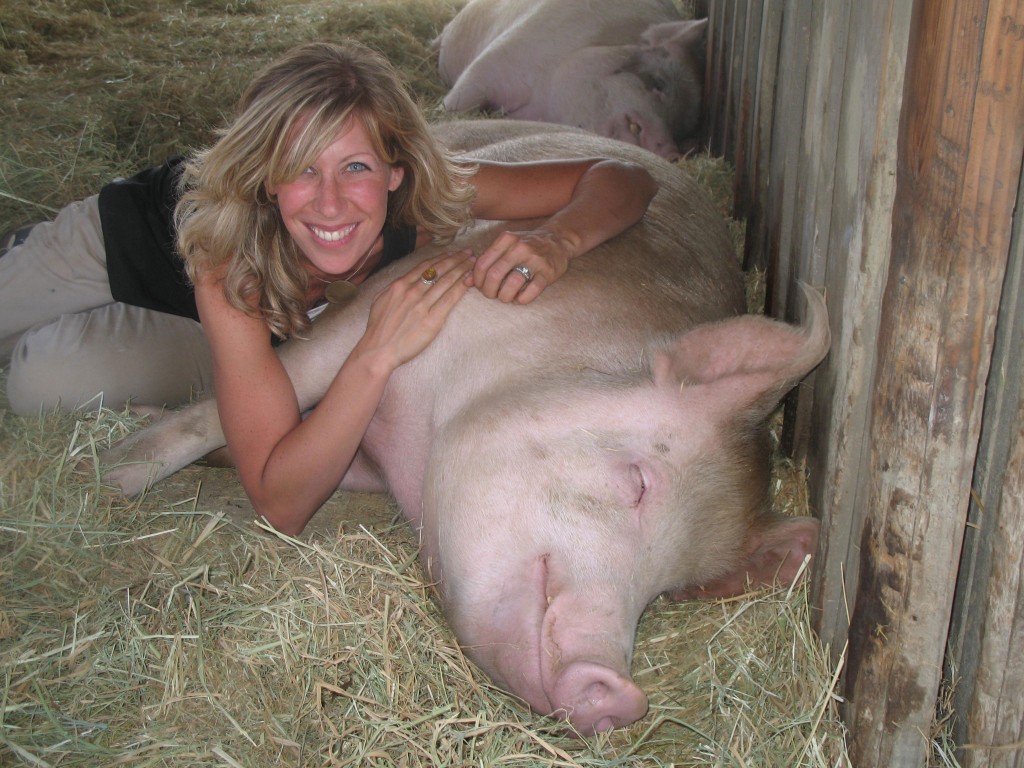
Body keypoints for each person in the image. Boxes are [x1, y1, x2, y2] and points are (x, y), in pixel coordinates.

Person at [0, 40, 657, 534]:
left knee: (34, 381)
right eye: (301, 170)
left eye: (356, 167)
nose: (333, 203)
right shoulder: (232, 255)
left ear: (396, 173)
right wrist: (373, 352)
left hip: (214, 324)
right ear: (267, 177)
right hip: (114, 245)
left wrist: (558, 240)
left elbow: (621, 175)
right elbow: (285, 503)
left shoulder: (430, 199)